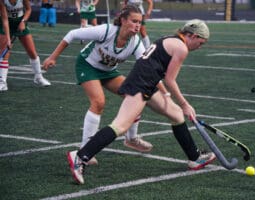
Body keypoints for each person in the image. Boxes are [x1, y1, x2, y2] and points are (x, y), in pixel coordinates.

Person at [66, 19, 217, 184]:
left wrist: (172, 100)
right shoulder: (181, 48)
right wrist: (185, 104)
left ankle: (195, 158)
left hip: (148, 84)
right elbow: (170, 80)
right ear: (193, 36)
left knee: (176, 115)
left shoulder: (170, 39)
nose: (199, 47)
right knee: (120, 126)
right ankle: (81, 156)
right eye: (200, 43)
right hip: (140, 85)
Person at [43, 5, 163, 165]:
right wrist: (52, 57)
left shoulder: (135, 42)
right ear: (123, 20)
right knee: (98, 102)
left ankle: (131, 138)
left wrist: (163, 90)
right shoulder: (106, 30)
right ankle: (86, 149)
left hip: (108, 71)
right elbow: (72, 34)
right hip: (87, 65)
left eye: (140, 22)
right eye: (134, 21)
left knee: (136, 95)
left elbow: (147, 65)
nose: (137, 26)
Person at [0, 0, 51, 92]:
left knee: (32, 51)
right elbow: (4, 20)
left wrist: (23, 21)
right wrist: (8, 39)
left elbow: (28, 9)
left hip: (21, 23)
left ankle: (38, 77)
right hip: (6, 25)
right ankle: (2, 83)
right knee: (5, 54)